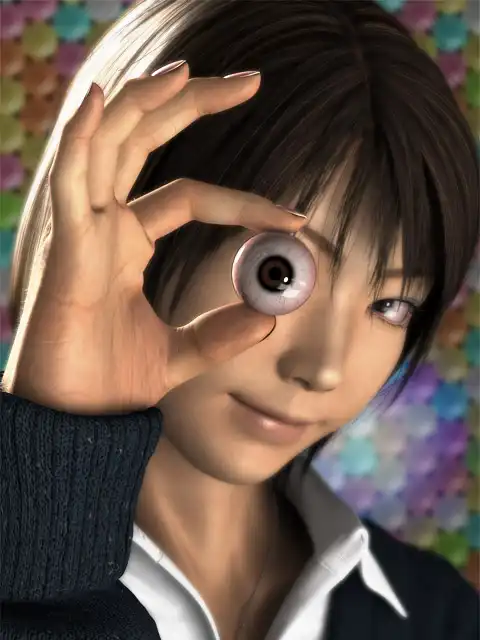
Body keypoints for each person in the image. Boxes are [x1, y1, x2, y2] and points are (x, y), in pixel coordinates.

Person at [1, 0, 479, 639]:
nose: (324, 367)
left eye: (390, 305)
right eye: (279, 273)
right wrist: (51, 487)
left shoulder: (440, 619)